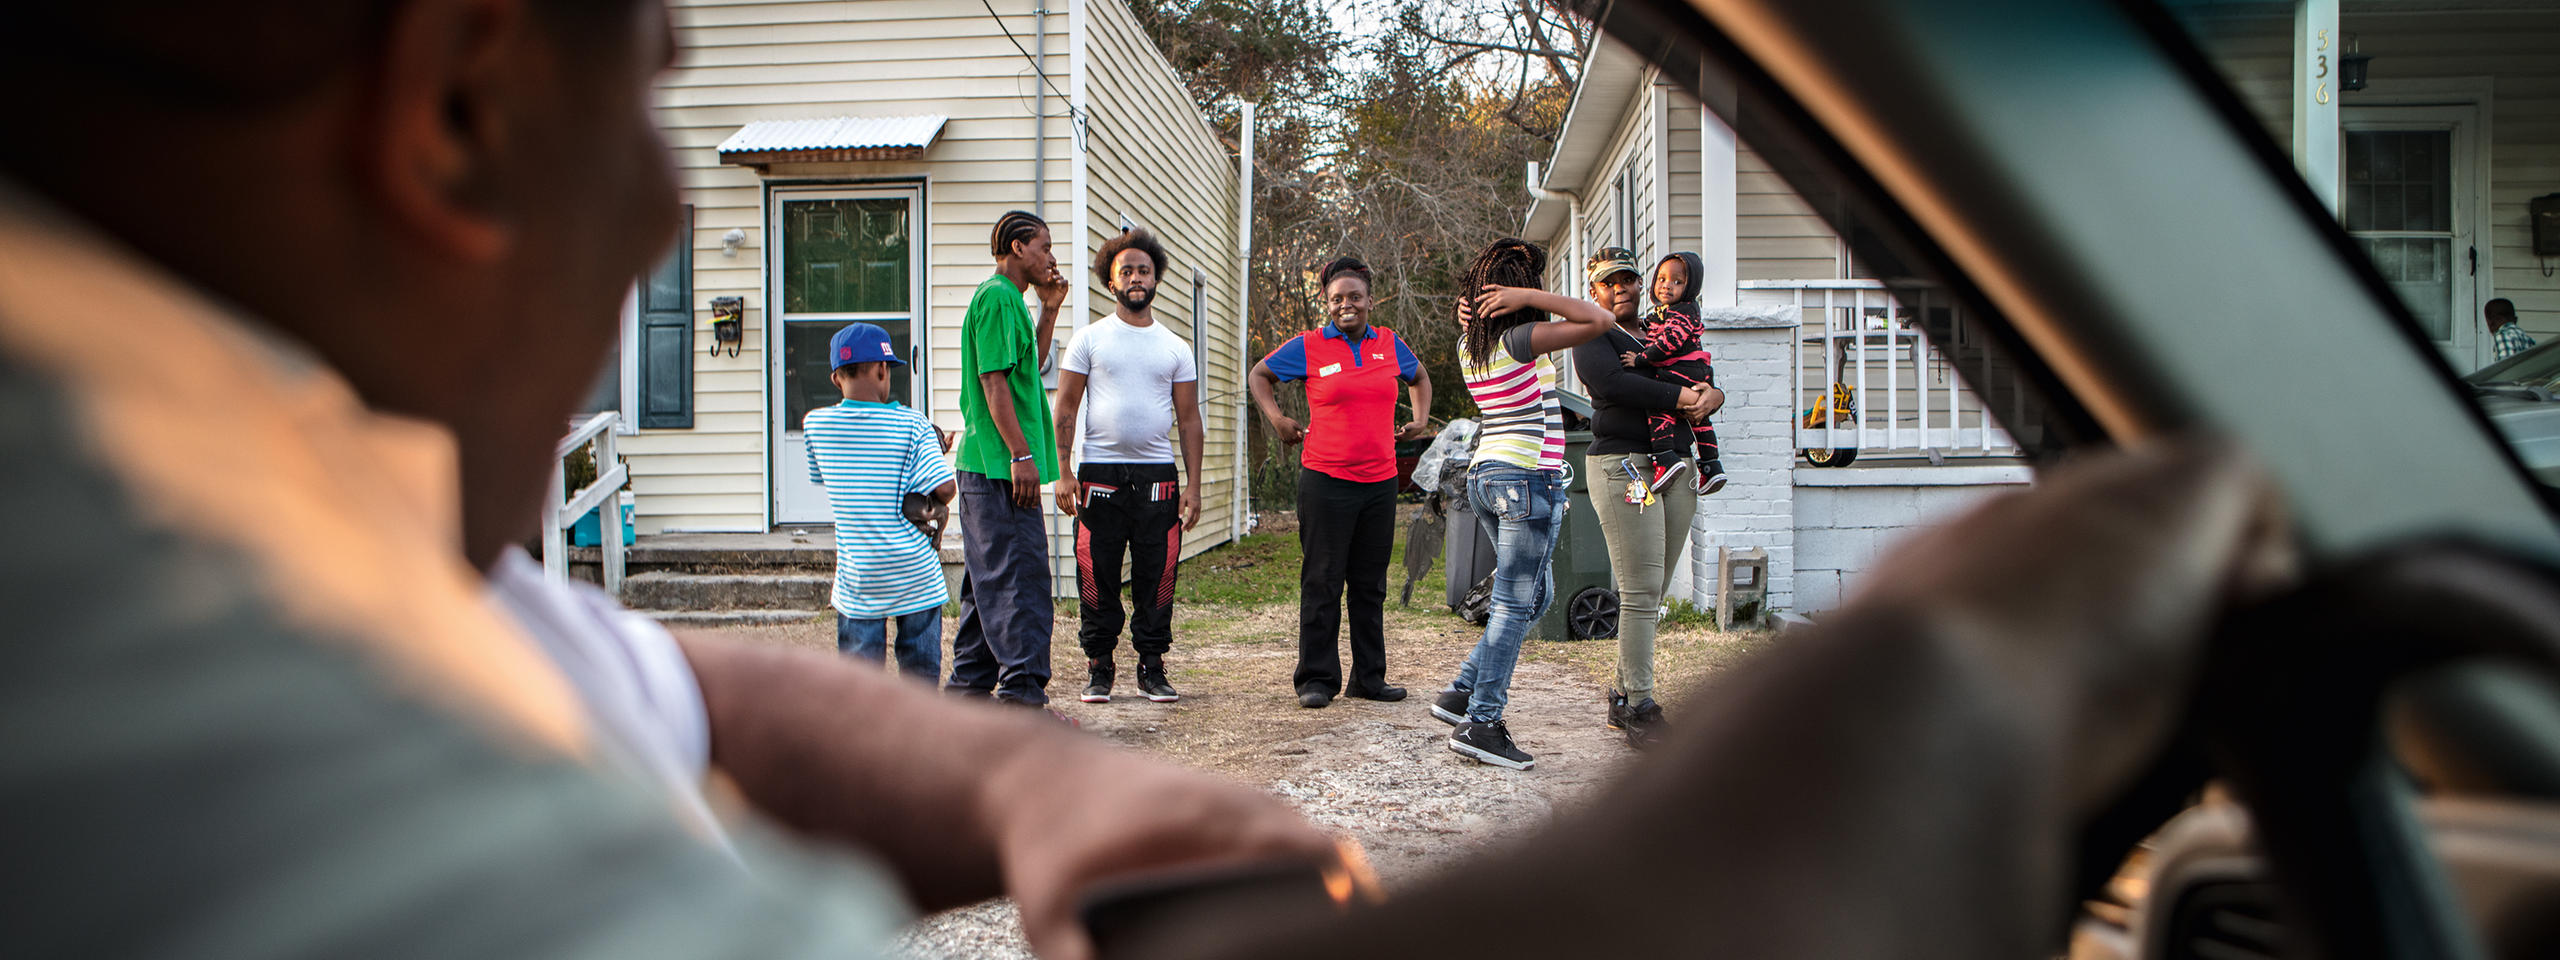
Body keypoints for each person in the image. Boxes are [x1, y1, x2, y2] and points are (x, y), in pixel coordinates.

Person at [1, 5, 1345, 959]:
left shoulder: (252, 481)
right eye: (646, 100)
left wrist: (1025, 784)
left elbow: (651, 682)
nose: (662, 211)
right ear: (459, 105)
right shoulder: (186, 673)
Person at [1431, 239, 1617, 771]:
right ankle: (1483, 723)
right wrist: (1530, 295)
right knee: (1517, 604)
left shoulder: (1473, 341)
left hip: (1488, 478)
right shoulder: (1519, 337)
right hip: (1525, 479)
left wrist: (1476, 304)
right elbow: (1597, 319)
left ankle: (1461, 693)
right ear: (1510, 293)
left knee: (1534, 597)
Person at [1248, 257, 1432, 708]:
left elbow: (1420, 376)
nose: (1345, 305)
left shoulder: (1388, 343)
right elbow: (1260, 375)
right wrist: (1277, 419)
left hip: (1380, 481)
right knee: (1323, 581)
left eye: (1354, 297)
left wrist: (1421, 420)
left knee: (1370, 584)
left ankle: (1369, 678)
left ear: (1370, 300)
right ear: (1327, 303)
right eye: (1336, 299)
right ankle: (1317, 679)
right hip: (1326, 480)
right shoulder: (1310, 346)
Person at [1573, 247, 1722, 748]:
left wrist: (1712, 395)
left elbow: (1704, 374)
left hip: (1678, 465)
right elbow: (1612, 384)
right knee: (1639, 591)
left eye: (1627, 281)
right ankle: (1640, 704)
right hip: (1625, 467)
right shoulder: (1592, 332)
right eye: (1607, 284)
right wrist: (1684, 398)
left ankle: (1621, 693)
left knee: (1652, 593)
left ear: (1641, 284)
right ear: (1593, 292)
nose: (1620, 290)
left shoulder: (1667, 327)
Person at [1056, 228, 1204, 704]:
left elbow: (1189, 420)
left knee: (1156, 577)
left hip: (1157, 479)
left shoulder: (1175, 347)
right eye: (1126, 271)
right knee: (1096, 575)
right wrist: (1063, 471)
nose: (1136, 278)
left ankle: (1152, 667)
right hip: (1098, 475)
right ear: (1111, 280)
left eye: (1143, 270)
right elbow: (1065, 410)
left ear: (1156, 276)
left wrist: (1195, 486)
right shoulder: (1089, 339)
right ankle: (1099, 667)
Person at [950, 209, 1071, 707]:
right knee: (1018, 580)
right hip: (999, 465)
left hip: (992, 466)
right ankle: (1022, 701)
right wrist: (1022, 453)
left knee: (988, 582)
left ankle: (968, 694)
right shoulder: (999, 298)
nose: (1051, 256)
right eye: (1044, 247)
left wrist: (1049, 309)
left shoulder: (1011, 303)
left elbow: (1029, 367)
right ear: (1018, 248)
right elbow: (992, 382)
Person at [807, 322, 956, 683]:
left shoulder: (815, 425)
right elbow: (945, 489)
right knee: (919, 677)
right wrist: (932, 453)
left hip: (860, 577)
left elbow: (825, 476)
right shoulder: (911, 424)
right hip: (915, 573)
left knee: (860, 686)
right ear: (882, 369)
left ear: (835, 378)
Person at [1620, 251, 1727, 496]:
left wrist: (1641, 359)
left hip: (1683, 368)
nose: (1667, 285)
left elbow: (1671, 341)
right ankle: (1711, 465)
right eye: (1662, 279)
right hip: (1695, 369)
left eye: (1677, 282)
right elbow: (1654, 326)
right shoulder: (1667, 311)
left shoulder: (1685, 310)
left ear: (1690, 288)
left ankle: (1665, 458)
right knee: (1698, 418)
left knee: (1661, 406)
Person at [2488, 297, 2536, 362]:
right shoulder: (2527, 338)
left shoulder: (2502, 336)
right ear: (2515, 320)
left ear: (2492, 323)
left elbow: (2504, 364)